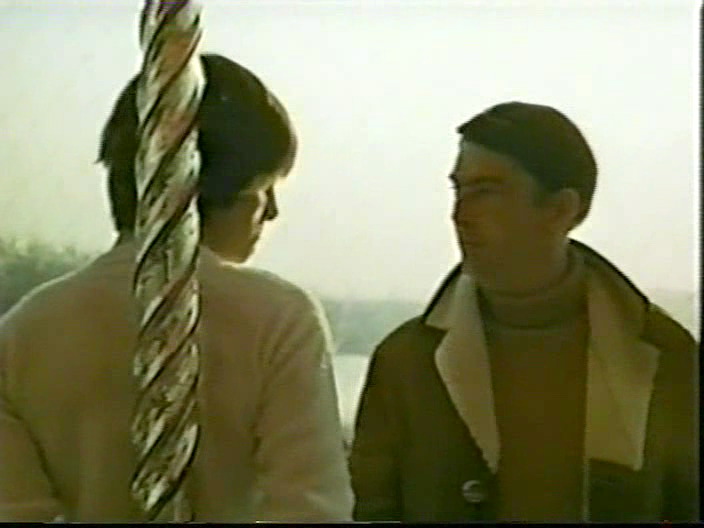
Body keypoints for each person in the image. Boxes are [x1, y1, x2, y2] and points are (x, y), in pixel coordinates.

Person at [0, 53, 353, 522]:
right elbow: (310, 508)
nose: (271, 213)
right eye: (263, 188)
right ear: (220, 186)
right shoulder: (278, 317)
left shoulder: (24, 330)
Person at [349, 101, 698, 523]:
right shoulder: (405, 362)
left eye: (486, 192)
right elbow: (369, 511)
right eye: (458, 191)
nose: (460, 215)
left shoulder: (667, 356)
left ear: (561, 209)